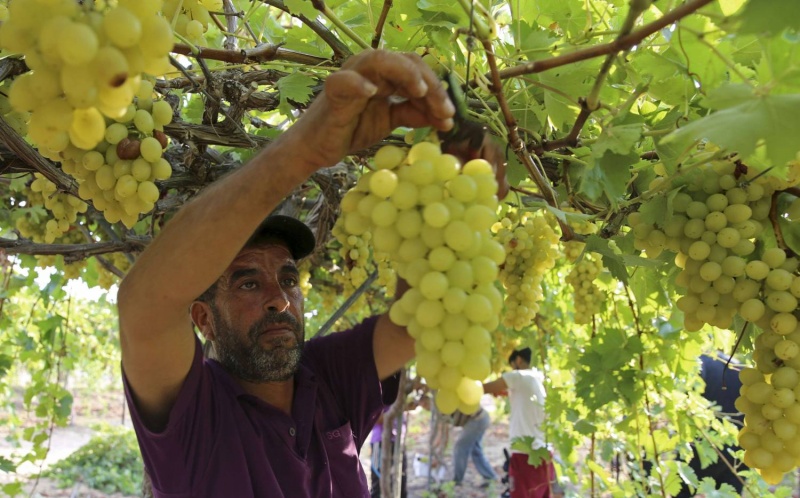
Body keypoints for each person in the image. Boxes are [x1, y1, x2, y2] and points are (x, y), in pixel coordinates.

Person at [116, 50, 460, 497]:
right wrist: (303, 151)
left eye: (288, 280)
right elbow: (144, 305)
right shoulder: (197, 416)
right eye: (248, 283)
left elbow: (419, 322)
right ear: (203, 319)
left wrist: (439, 190)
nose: (279, 299)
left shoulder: (326, 376)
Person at [483, 347, 560, 498]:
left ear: (518, 360)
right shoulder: (539, 378)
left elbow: (481, 389)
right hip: (544, 454)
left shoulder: (518, 376)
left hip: (525, 456)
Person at [674, 353, 747, 497]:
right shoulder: (732, 364)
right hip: (740, 445)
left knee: (682, 489)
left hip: (712, 443)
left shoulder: (698, 363)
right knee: (730, 493)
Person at [451, 406, 499, 487]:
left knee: (460, 448)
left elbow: (441, 432)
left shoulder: (441, 406)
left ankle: (457, 480)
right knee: (475, 450)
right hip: (481, 418)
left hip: (477, 419)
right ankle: (490, 476)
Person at [369, 408, 407, 498]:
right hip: (380, 441)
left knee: (401, 476)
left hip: (398, 441)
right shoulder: (381, 401)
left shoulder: (400, 401)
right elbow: (374, 418)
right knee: (378, 478)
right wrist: (396, 410)